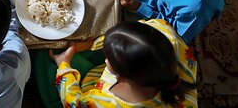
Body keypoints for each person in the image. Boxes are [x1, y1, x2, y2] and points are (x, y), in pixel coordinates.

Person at [48, 19, 198, 107]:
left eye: (108, 58)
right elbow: (128, 36)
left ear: (121, 77)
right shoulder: (164, 31)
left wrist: (64, 65)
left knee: (44, 65)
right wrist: (92, 44)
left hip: (94, 87)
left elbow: (73, 102)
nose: (106, 59)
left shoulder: (102, 103)